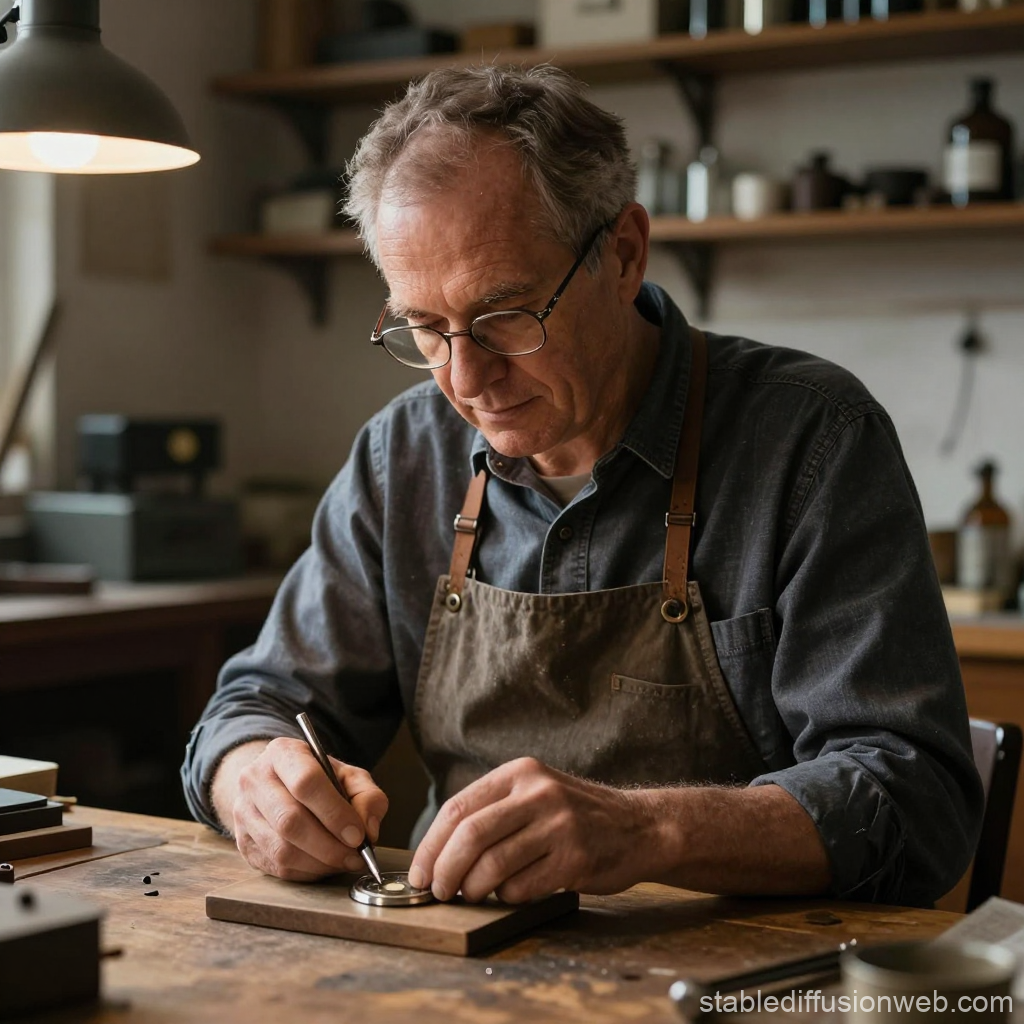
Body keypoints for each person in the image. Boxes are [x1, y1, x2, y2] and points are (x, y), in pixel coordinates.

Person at [182, 64, 981, 908]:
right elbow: (258, 701)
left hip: (743, 978)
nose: (466, 376)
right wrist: (253, 781)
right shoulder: (403, 457)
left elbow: (914, 798)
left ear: (625, 253)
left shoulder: (811, 440)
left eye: (505, 317)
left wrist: (648, 832)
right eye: (424, 327)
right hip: (457, 965)